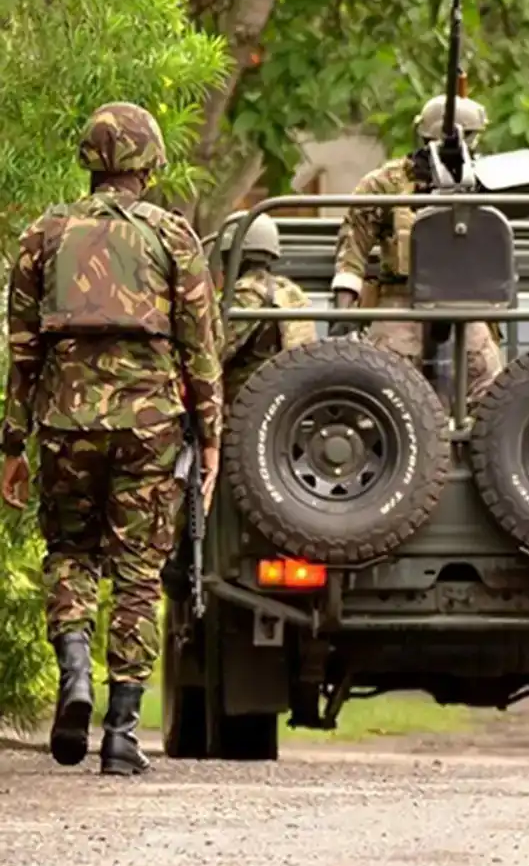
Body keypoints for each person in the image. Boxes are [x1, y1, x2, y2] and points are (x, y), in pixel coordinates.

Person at [0, 102, 223, 776]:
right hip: (149, 423)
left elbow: (21, 349)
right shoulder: (173, 236)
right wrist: (209, 434)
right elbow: (200, 349)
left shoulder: (44, 233)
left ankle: (74, 674)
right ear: (151, 164)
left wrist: (12, 444)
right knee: (136, 571)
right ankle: (121, 734)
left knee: (69, 550)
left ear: (89, 161)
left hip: (65, 419)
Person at [329, 93, 502, 404]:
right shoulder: (387, 183)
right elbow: (353, 246)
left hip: (466, 305)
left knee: (491, 394)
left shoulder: (486, 180)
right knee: (382, 389)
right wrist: (344, 314)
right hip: (401, 301)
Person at [216, 213, 319, 402]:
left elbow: (215, 349)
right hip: (290, 399)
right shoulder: (289, 290)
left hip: (246, 403)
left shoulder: (248, 292)